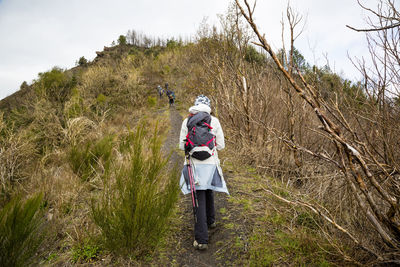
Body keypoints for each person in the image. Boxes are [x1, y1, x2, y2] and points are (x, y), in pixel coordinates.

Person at [179, 95, 229, 250]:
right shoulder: (214, 121)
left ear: (195, 106)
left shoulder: (187, 121)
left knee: (198, 199)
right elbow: (220, 145)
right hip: (211, 164)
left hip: (193, 165)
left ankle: (201, 240)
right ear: (209, 106)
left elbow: (182, 146)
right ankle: (211, 221)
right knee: (209, 189)